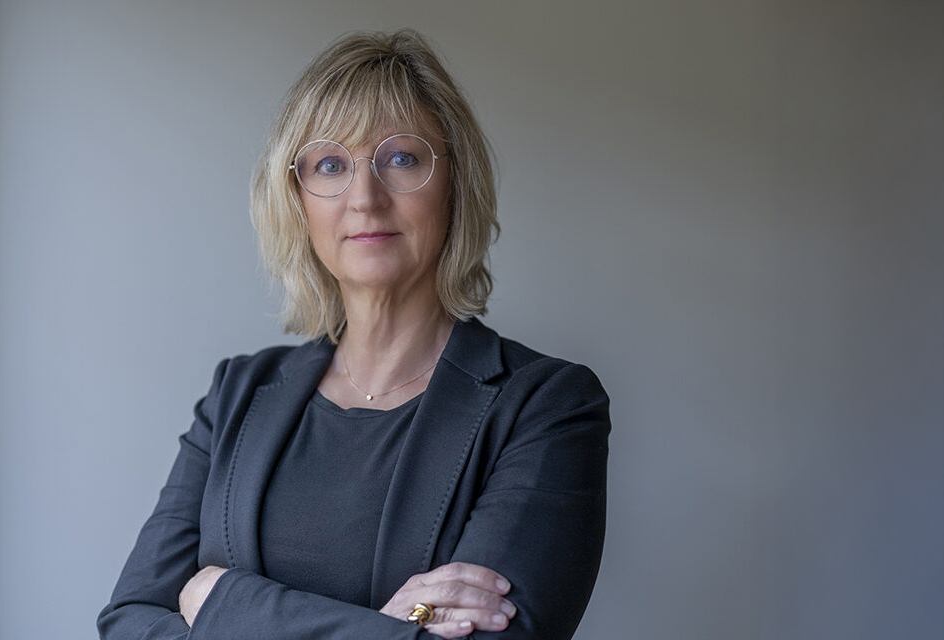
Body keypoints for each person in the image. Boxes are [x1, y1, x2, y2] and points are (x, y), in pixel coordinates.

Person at [98, 29, 610, 640]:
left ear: (454, 185)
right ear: (297, 200)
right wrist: (392, 630)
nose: (365, 197)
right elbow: (129, 622)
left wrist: (221, 601)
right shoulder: (235, 393)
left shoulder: (548, 406)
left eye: (402, 158)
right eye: (330, 165)